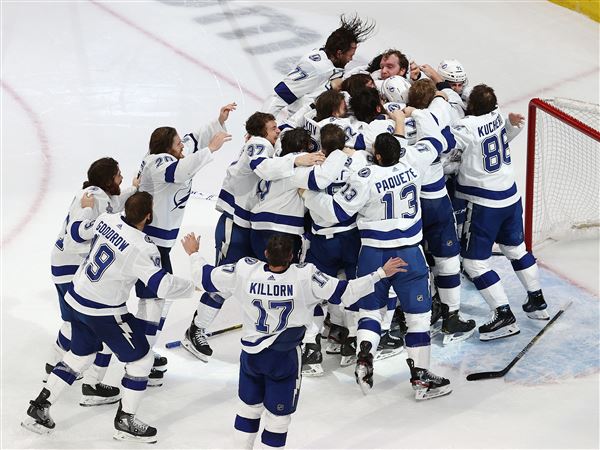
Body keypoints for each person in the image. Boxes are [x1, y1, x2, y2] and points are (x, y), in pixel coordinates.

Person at [181, 232, 407, 450]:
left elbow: (205, 278)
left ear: (266, 253)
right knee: (278, 420)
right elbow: (345, 292)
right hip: (284, 358)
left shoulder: (245, 269)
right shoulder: (305, 275)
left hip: (251, 357)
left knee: (247, 410)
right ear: (291, 256)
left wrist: (193, 253)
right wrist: (379, 274)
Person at [302, 108, 452, 400]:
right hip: (409, 254)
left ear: (378, 156)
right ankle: (421, 379)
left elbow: (334, 211)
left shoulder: (364, 177)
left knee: (371, 312)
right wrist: (414, 114)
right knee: (418, 318)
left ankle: (365, 354)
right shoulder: (412, 162)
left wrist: (307, 194)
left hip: (372, 255)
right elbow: (436, 141)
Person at [22, 192, 196, 443]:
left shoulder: (106, 219)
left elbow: (78, 232)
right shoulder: (143, 247)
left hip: (77, 297)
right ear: (149, 216)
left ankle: (40, 406)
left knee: (79, 355)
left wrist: (84, 210)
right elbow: (162, 287)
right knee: (142, 360)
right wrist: (194, 286)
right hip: (103, 311)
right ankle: (125, 420)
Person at [182, 112, 324, 362]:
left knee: (249, 276)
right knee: (224, 278)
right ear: (261, 132)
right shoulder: (258, 144)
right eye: (272, 128)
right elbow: (265, 168)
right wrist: (298, 160)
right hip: (235, 222)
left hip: (249, 223)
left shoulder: (265, 144)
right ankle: (196, 329)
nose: (277, 131)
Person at [134, 103, 233, 385]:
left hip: (158, 243)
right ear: (167, 148)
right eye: (177, 144)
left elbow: (191, 140)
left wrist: (218, 120)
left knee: (156, 302)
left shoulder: (168, 153)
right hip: (149, 244)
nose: (182, 146)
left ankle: (143, 352)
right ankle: (142, 358)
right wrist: (210, 150)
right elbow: (179, 171)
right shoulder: (159, 163)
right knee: (154, 302)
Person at [451, 84, 549, 341]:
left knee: (473, 264)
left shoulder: (466, 126)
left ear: (471, 106)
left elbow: (447, 148)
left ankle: (503, 315)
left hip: (484, 202)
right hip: (510, 195)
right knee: (516, 249)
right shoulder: (496, 116)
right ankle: (537, 300)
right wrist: (511, 125)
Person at [48, 157, 137, 405]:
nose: (121, 177)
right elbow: (76, 237)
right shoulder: (93, 197)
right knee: (79, 325)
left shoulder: (98, 194)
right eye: (118, 174)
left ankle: (57, 364)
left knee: (75, 322)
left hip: (67, 265)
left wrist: (133, 188)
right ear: (108, 180)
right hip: (70, 266)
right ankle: (63, 368)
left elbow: (113, 205)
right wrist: (88, 212)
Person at [406, 80, 476, 344]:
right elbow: (446, 143)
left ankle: (411, 318)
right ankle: (451, 317)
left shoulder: (396, 122)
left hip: (408, 204)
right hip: (433, 199)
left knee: (417, 260)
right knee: (447, 258)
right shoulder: (428, 119)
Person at [264, 14, 375, 116]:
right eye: (350, 55)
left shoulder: (329, 57)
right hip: (300, 124)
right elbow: (279, 96)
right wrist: (260, 127)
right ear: (339, 53)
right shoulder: (315, 68)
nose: (351, 59)